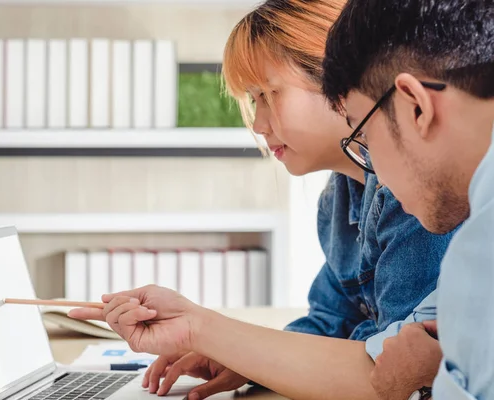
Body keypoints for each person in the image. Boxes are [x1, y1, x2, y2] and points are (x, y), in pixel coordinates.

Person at [68, 1, 458, 399]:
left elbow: (394, 369)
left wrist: (217, 336)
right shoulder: (339, 198)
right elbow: (329, 321)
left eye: (269, 94)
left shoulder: (419, 194)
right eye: (254, 100)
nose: (257, 123)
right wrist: (241, 357)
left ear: (337, 78)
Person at [320, 0, 494, 398]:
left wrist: (415, 390)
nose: (373, 171)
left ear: (416, 106)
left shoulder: (482, 250)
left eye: (362, 137)